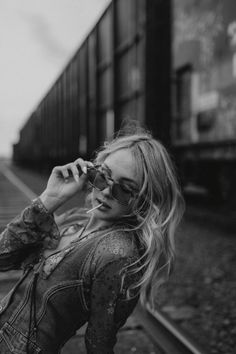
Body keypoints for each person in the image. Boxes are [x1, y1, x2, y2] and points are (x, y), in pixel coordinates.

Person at [0, 127, 184, 353]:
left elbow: (99, 344)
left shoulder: (117, 254)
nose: (106, 191)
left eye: (125, 190)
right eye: (102, 176)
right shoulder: (74, 219)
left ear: (145, 201)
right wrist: (50, 198)